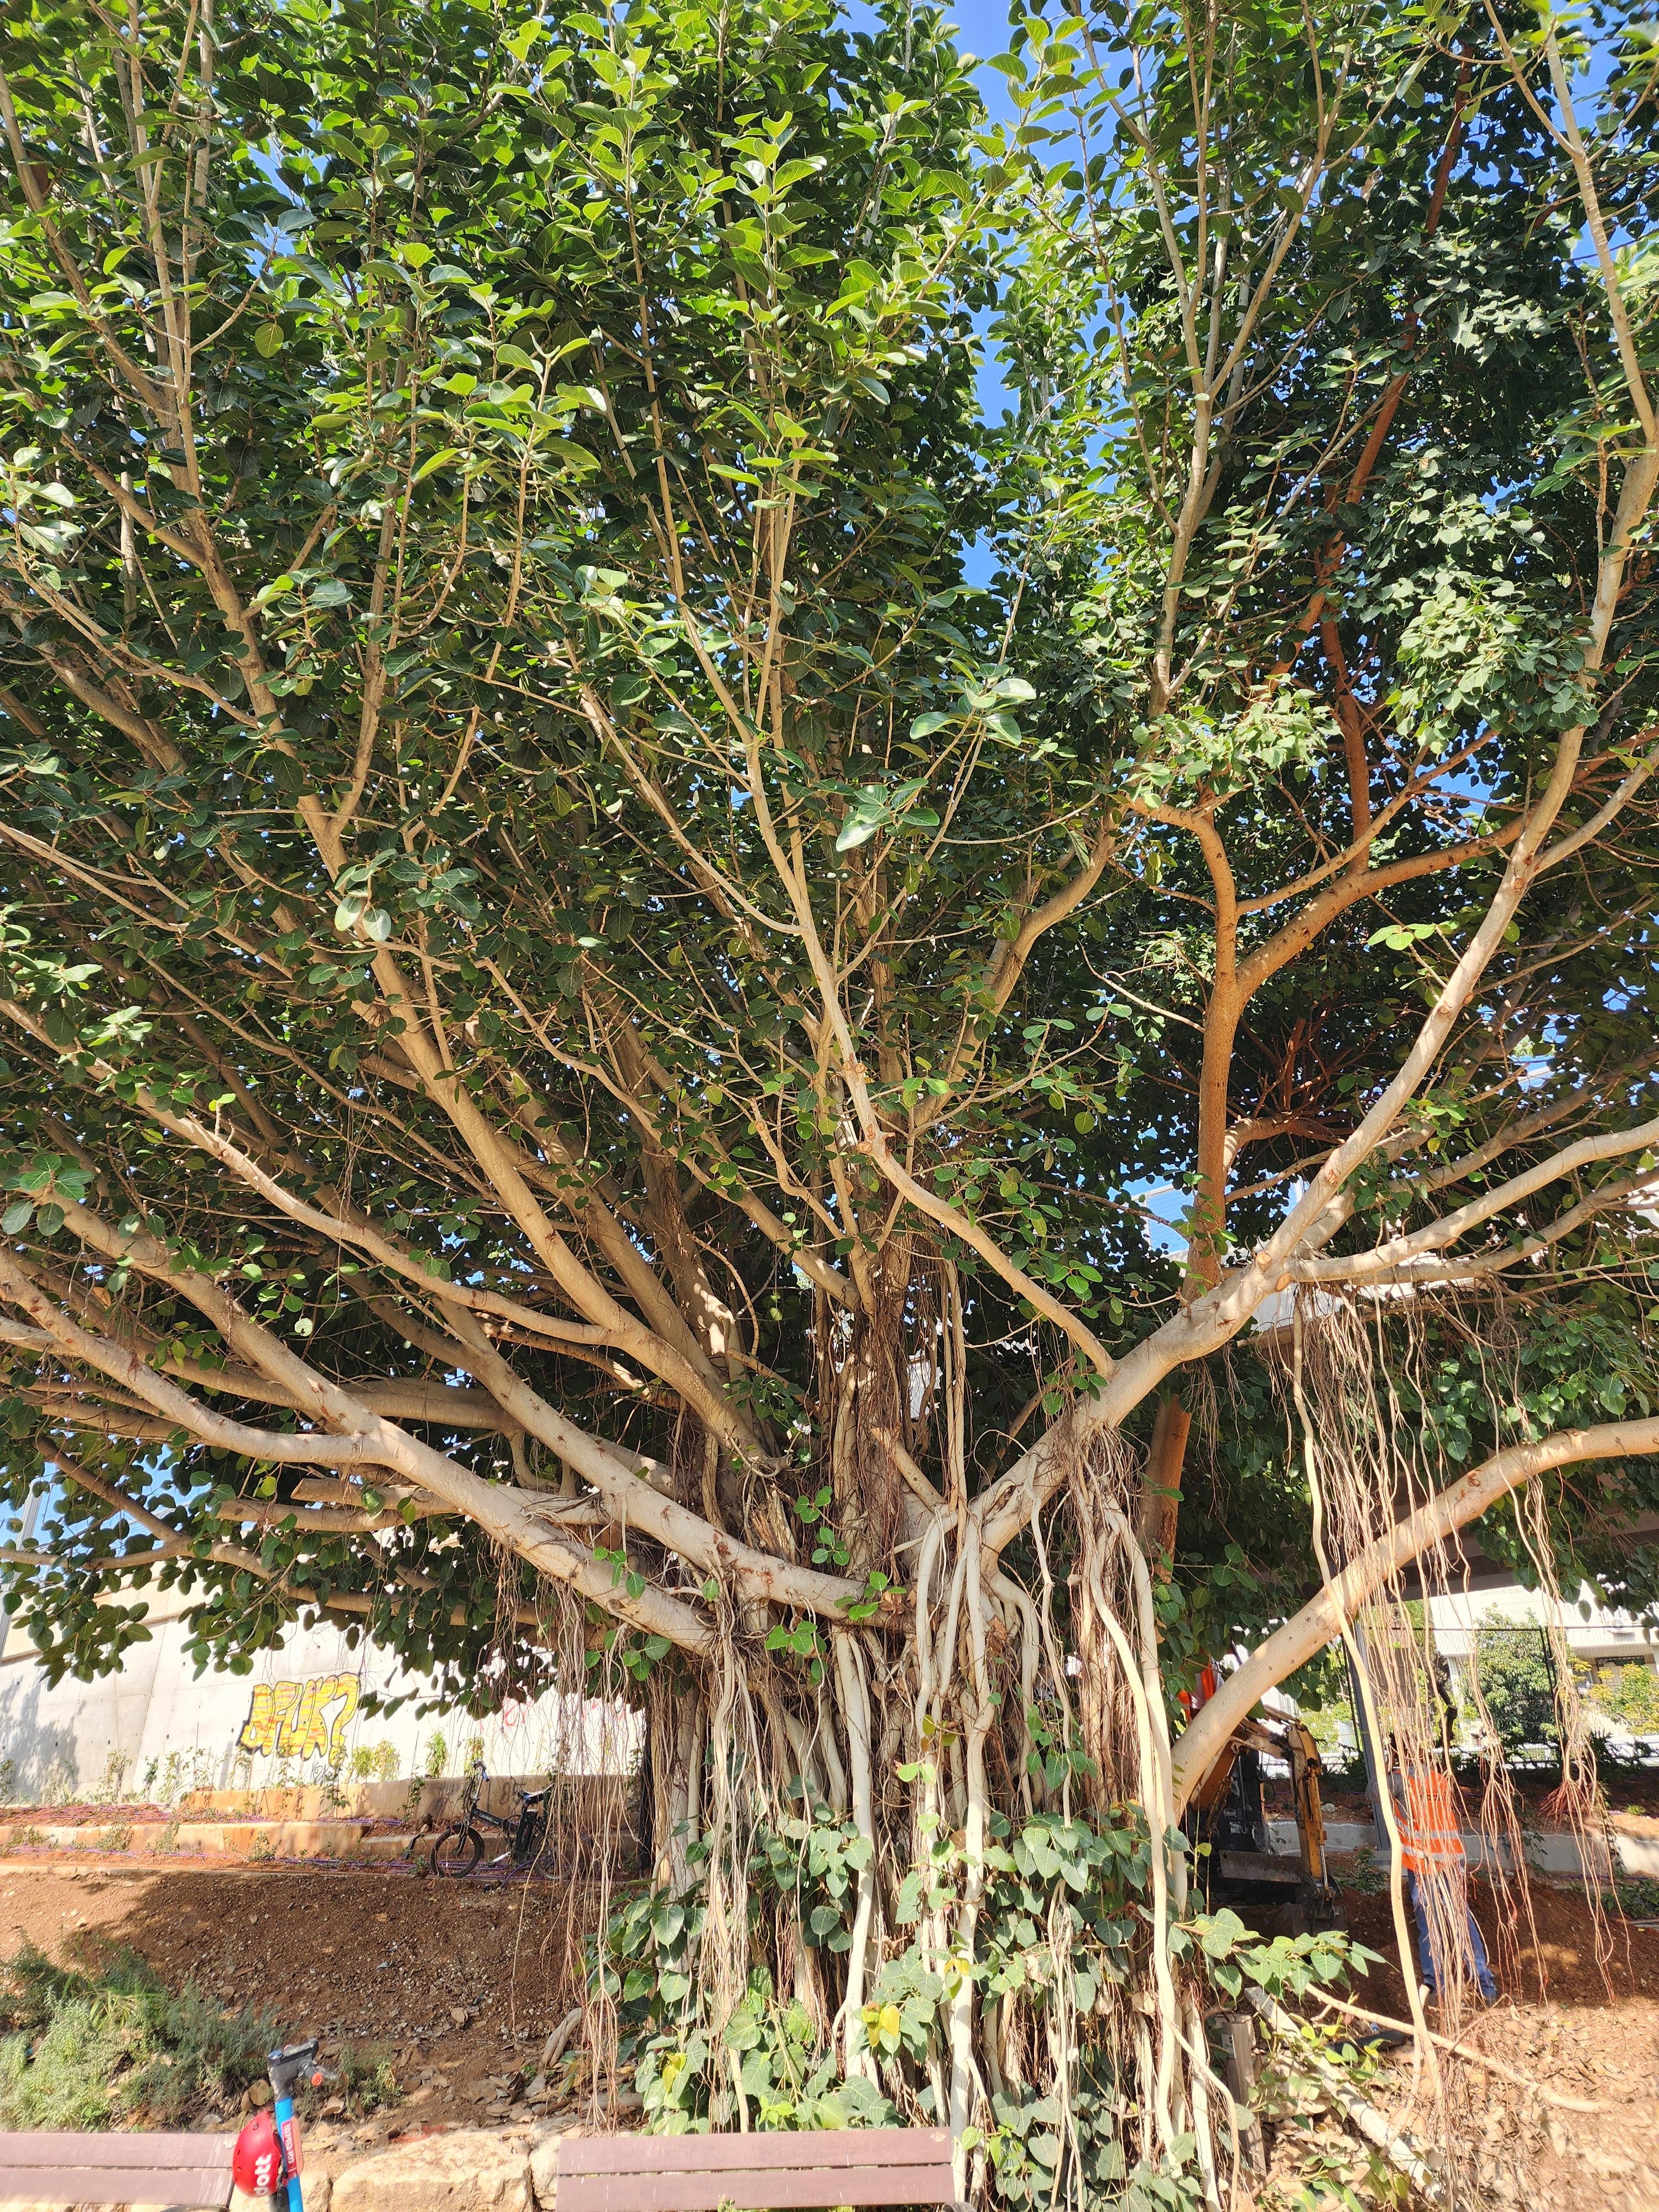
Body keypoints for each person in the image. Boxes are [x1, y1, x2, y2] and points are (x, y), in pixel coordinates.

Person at [1389, 1745, 1498, 2005]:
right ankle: (1485, 1985)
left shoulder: (1399, 1781)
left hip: (1424, 1865)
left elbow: (1373, 1791)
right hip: (1451, 1860)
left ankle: (1436, 1986)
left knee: (1429, 1926)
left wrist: (1386, 1765)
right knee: (1462, 1922)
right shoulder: (1439, 1779)